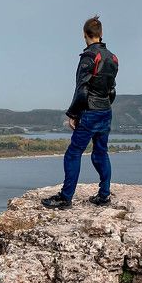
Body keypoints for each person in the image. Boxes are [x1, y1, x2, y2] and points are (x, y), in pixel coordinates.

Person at [41, 15, 119, 210]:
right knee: (101, 153)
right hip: (105, 111)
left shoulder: (89, 57)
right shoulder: (112, 58)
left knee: (73, 154)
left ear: (85, 35)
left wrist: (74, 114)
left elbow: (82, 89)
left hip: (90, 112)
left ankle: (66, 197)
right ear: (101, 34)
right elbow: (112, 90)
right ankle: (104, 195)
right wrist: (104, 107)